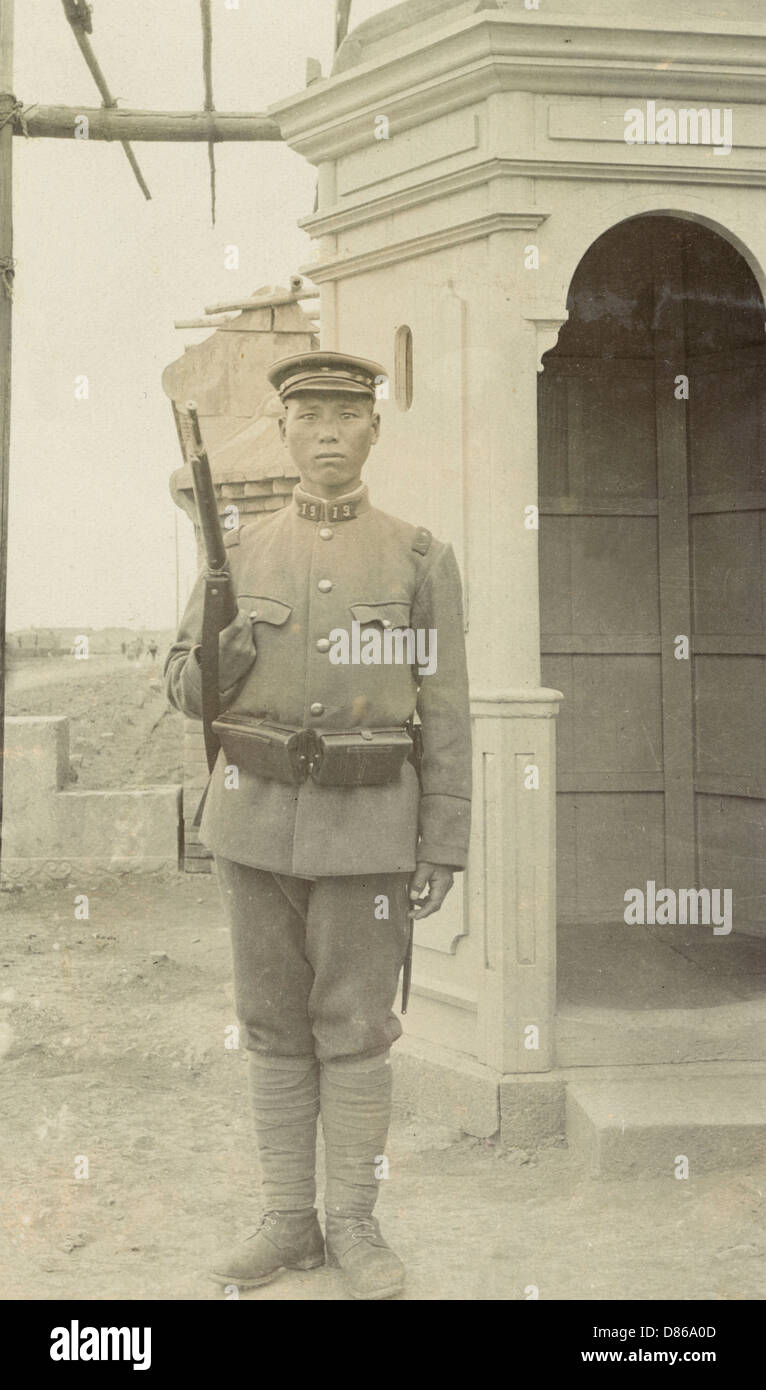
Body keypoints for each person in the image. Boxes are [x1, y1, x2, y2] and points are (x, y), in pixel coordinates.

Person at [164, 350, 472, 1300]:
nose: (329, 433)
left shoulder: (419, 557)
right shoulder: (238, 552)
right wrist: (221, 653)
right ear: (285, 432)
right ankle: (288, 1224)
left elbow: (446, 708)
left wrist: (443, 842)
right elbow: (182, 688)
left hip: (369, 827)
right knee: (270, 1025)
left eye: (347, 416)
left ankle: (356, 1226)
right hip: (254, 824)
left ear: (374, 429)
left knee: (357, 1028)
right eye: (310, 418)